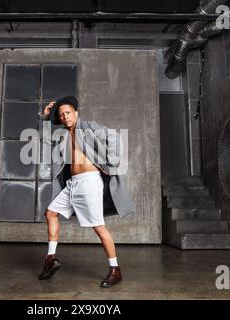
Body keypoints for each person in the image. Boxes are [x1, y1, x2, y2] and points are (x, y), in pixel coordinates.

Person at [37, 96, 135, 288]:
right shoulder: (63, 135)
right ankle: (50, 258)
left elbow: (113, 136)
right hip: (72, 184)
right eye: (61, 115)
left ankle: (115, 270)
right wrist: (45, 117)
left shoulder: (89, 127)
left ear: (76, 113)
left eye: (67, 112)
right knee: (50, 213)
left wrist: (113, 163)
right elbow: (43, 139)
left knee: (98, 227)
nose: (65, 117)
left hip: (89, 183)